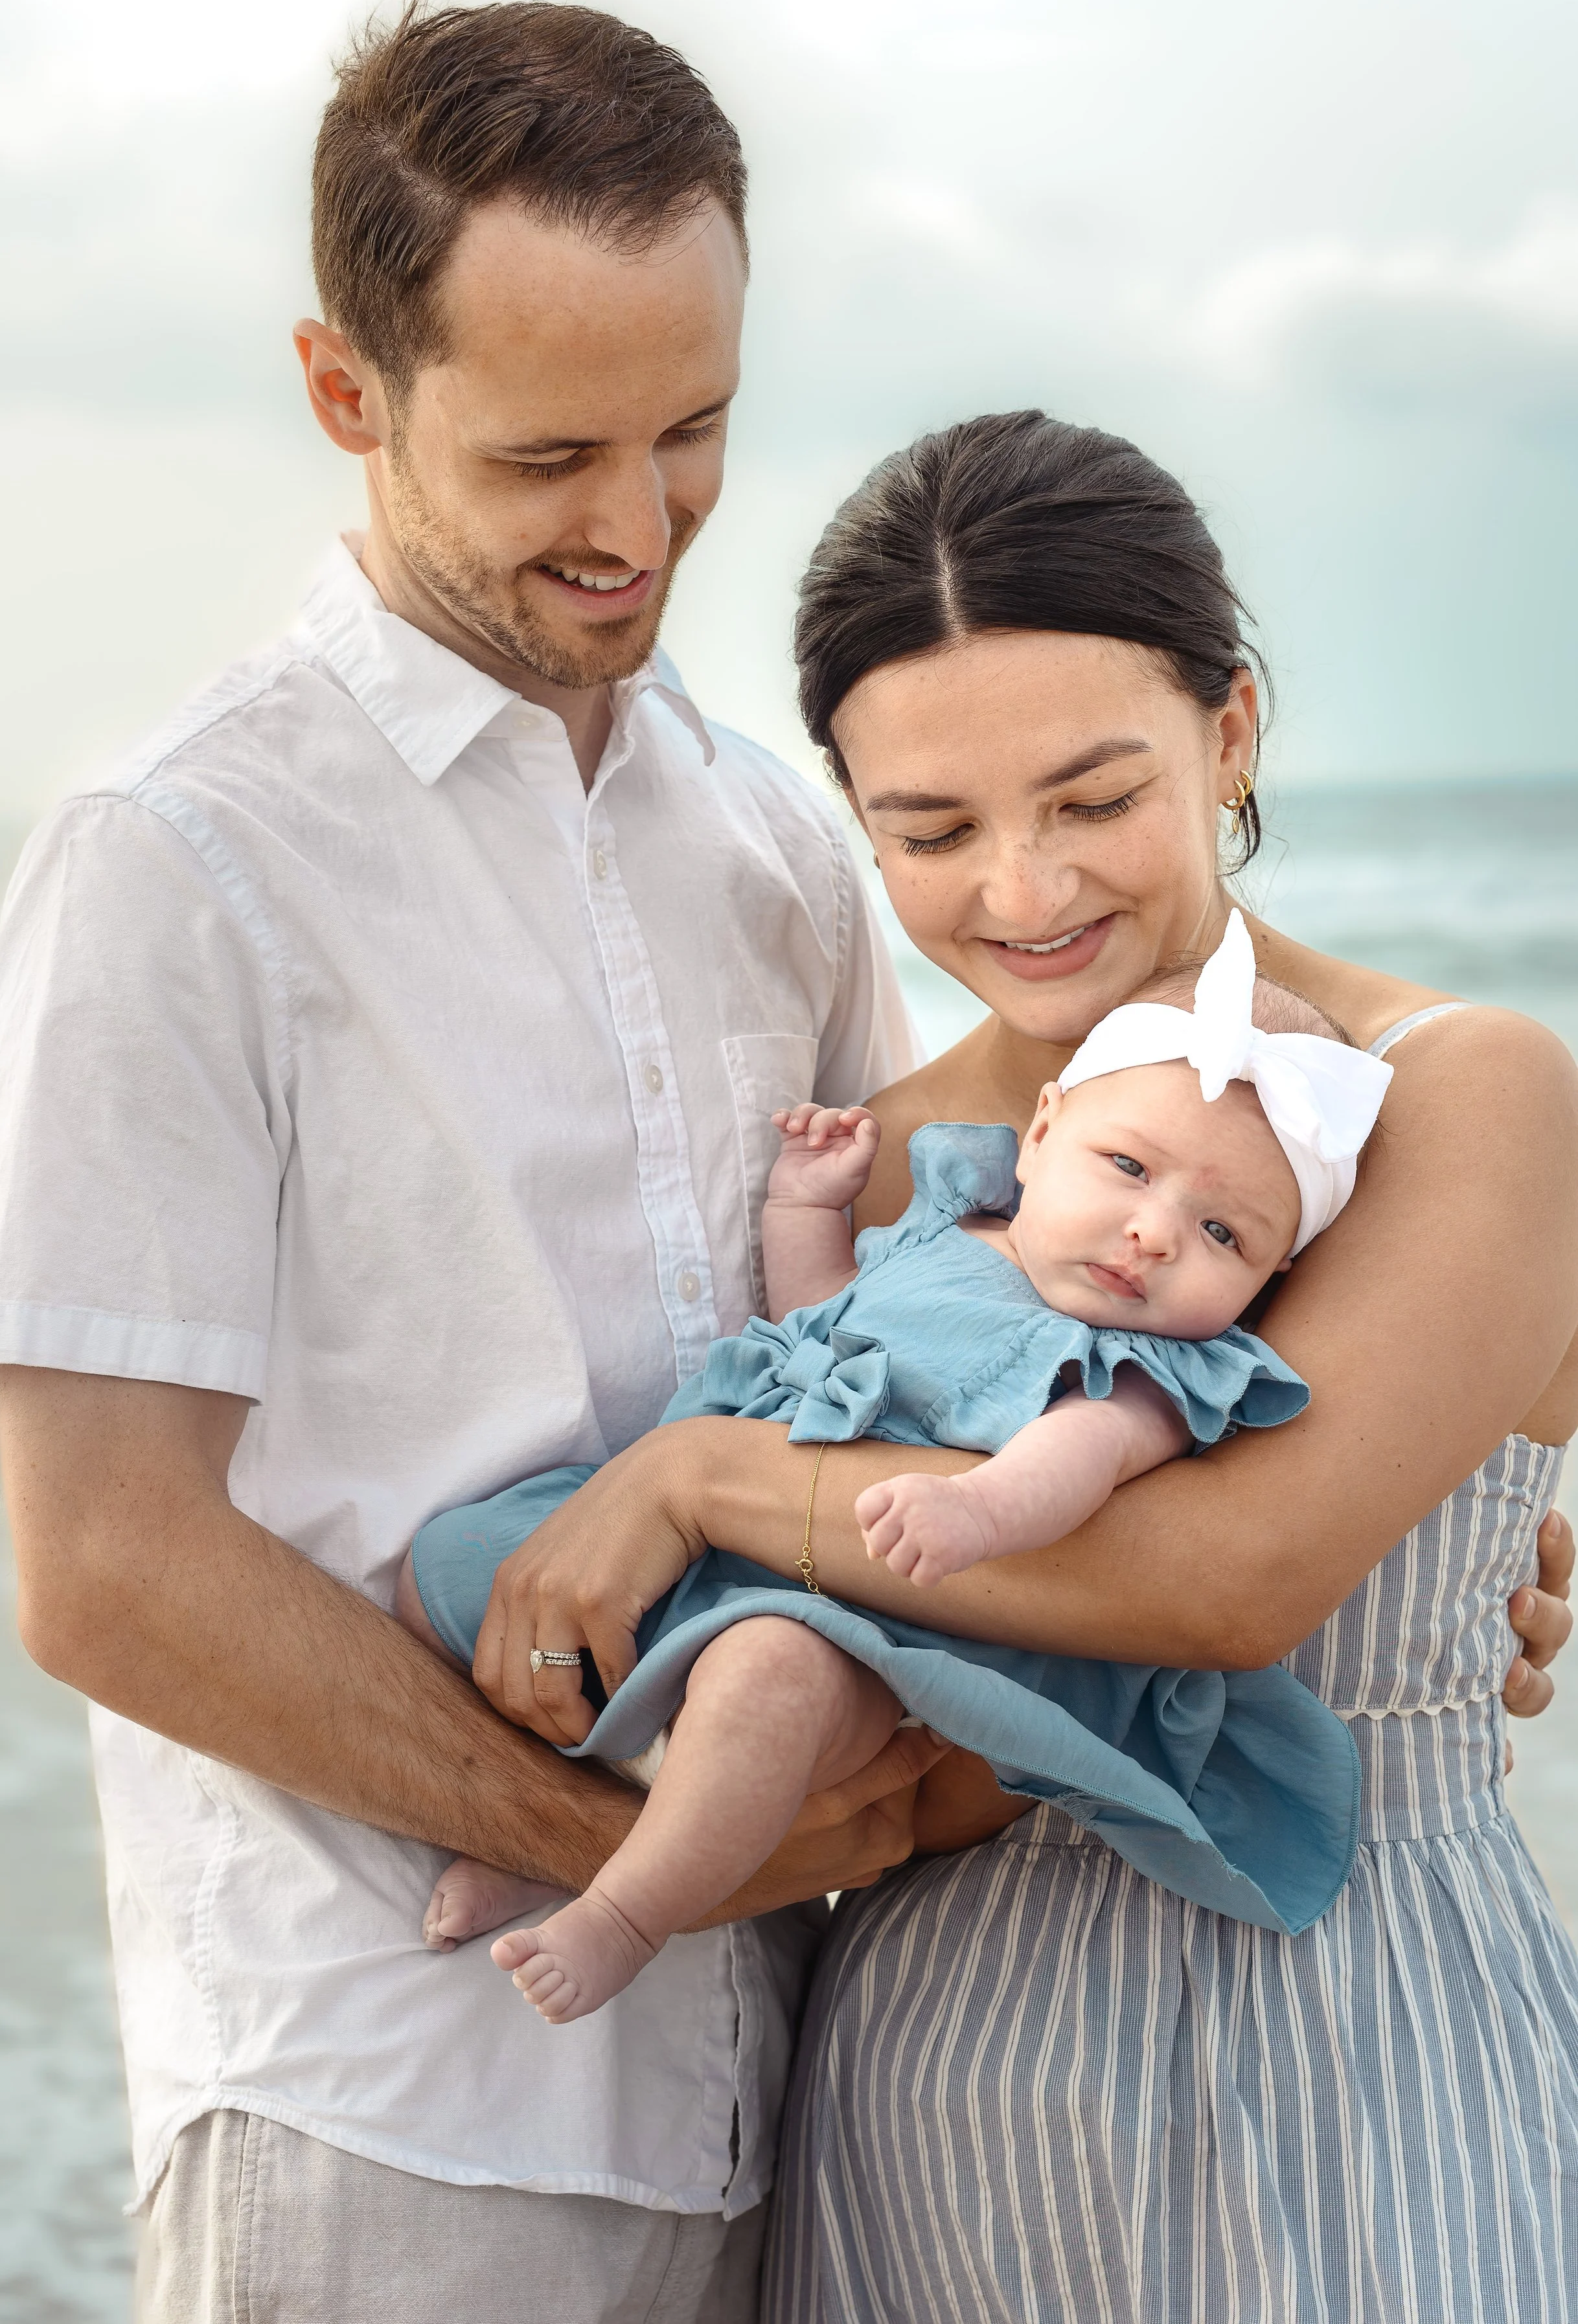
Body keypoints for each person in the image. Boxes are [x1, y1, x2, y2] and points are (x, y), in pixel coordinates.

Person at [0, 0, 937, 2324]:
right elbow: (99, 1568)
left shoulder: (778, 854)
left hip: (788, 2105)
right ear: (348, 394)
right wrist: (621, 1856)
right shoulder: (176, 860)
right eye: (543, 459)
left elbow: (942, 1358)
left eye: (692, 433)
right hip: (380, 2124)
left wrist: (1404, 1550)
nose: (632, 530)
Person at [467, 411, 1578, 2320]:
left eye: (1092, 795)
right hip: (939, 2070)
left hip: (1356, 2027)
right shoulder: (875, 1163)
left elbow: (1233, 1579)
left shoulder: (1464, 1095)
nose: (1023, 885)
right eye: (929, 826)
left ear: (1228, 735)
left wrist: (700, 1478)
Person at [402, 915, 1390, 2025]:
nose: (1152, 1232)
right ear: (1043, 1130)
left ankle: (626, 1909)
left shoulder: (1147, 1366)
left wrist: (975, 1508)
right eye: (1128, 1167)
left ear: (1272, 1274)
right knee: (454, 1560)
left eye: (1222, 1232)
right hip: (708, 1546)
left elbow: (1080, 1457)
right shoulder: (942, 1229)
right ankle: (536, 1834)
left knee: (764, 1683)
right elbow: (820, 1325)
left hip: (861, 1617)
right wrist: (804, 1207)